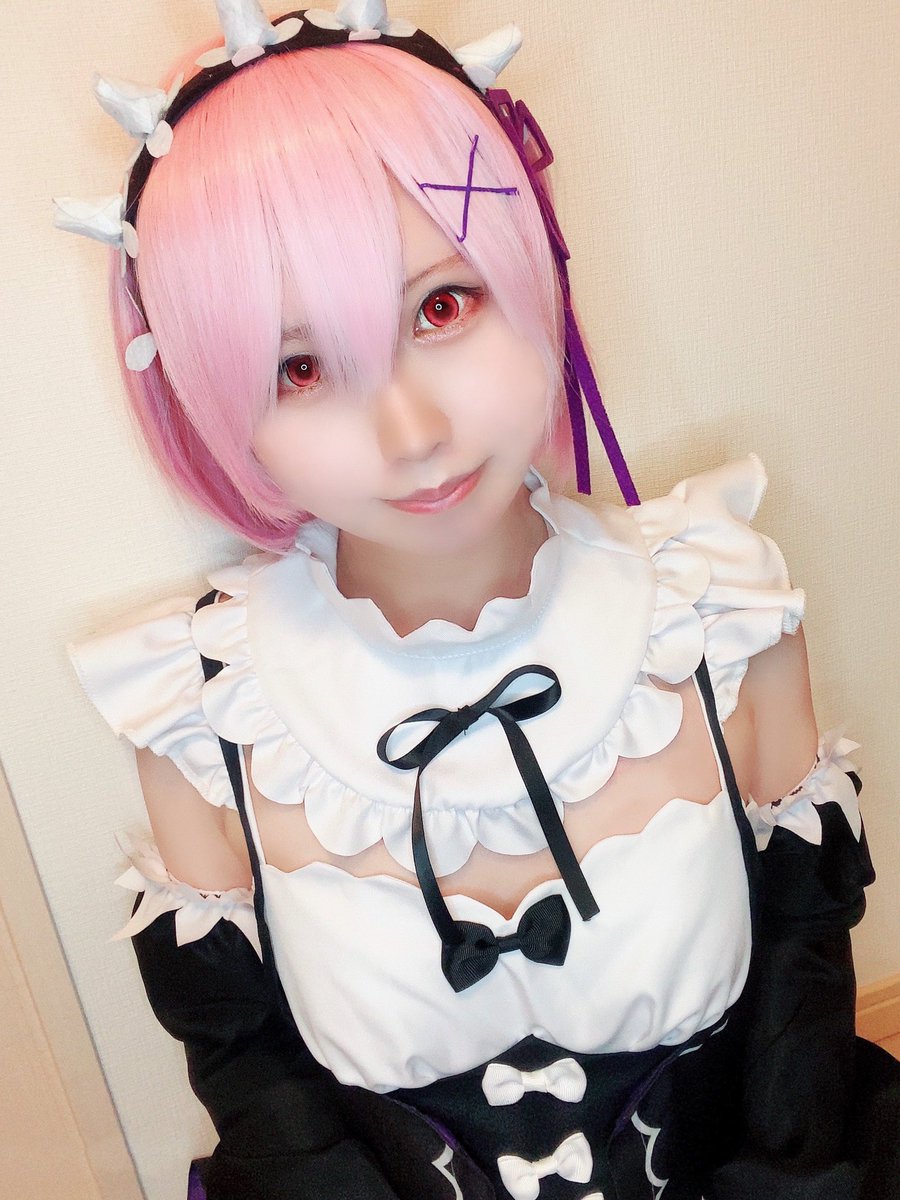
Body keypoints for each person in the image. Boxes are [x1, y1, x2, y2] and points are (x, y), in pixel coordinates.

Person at [57, 3, 899, 1197]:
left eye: (441, 307)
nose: (411, 432)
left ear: (528, 265)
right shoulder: (200, 709)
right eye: (302, 366)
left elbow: (800, 1021)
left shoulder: (722, 605)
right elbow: (263, 1101)